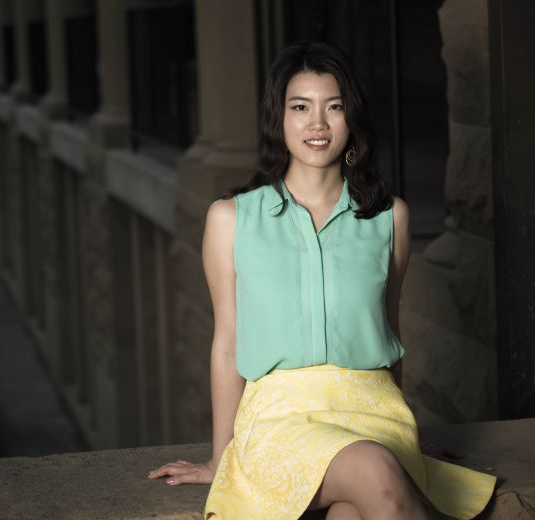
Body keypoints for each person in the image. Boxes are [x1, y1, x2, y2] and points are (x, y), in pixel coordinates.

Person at [147, 40, 497, 519]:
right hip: (278, 420)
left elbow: (389, 336)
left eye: (333, 107)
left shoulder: (390, 218)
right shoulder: (231, 219)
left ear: (351, 118)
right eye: (300, 107)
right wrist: (219, 456)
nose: (317, 124)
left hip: (374, 415)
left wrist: (407, 441)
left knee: (354, 508)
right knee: (374, 470)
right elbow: (227, 345)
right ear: (279, 118)